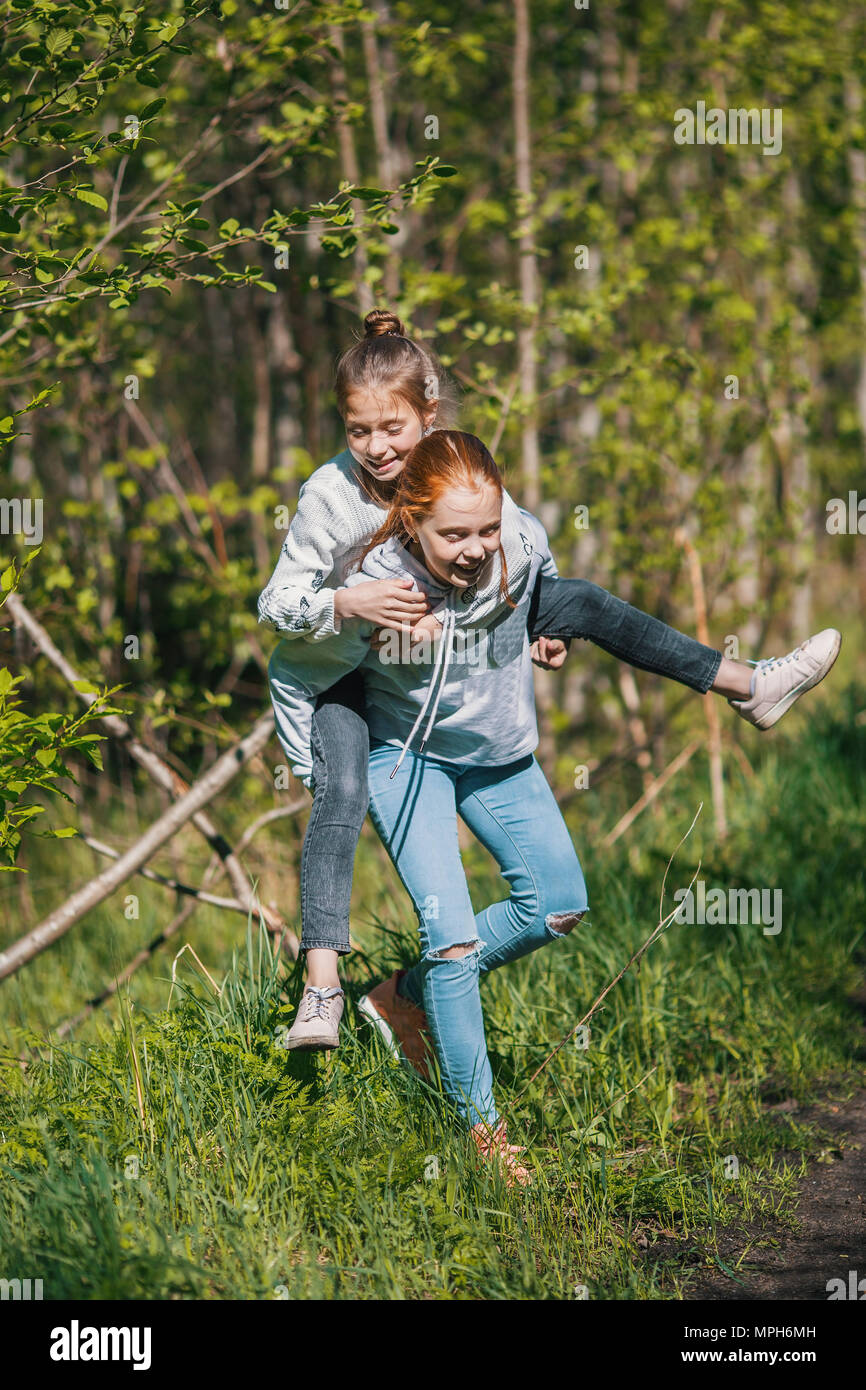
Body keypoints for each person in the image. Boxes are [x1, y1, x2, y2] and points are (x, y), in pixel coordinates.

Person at [257, 309, 842, 1066]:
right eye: (357, 431)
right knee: (341, 795)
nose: (376, 448)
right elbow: (275, 604)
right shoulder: (332, 496)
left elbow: (520, 531)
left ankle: (748, 684)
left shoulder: (448, 473)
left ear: (427, 415)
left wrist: (537, 618)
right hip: (340, 668)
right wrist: (346, 602)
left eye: (391, 428)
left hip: (429, 651)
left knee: (590, 602)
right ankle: (324, 988)